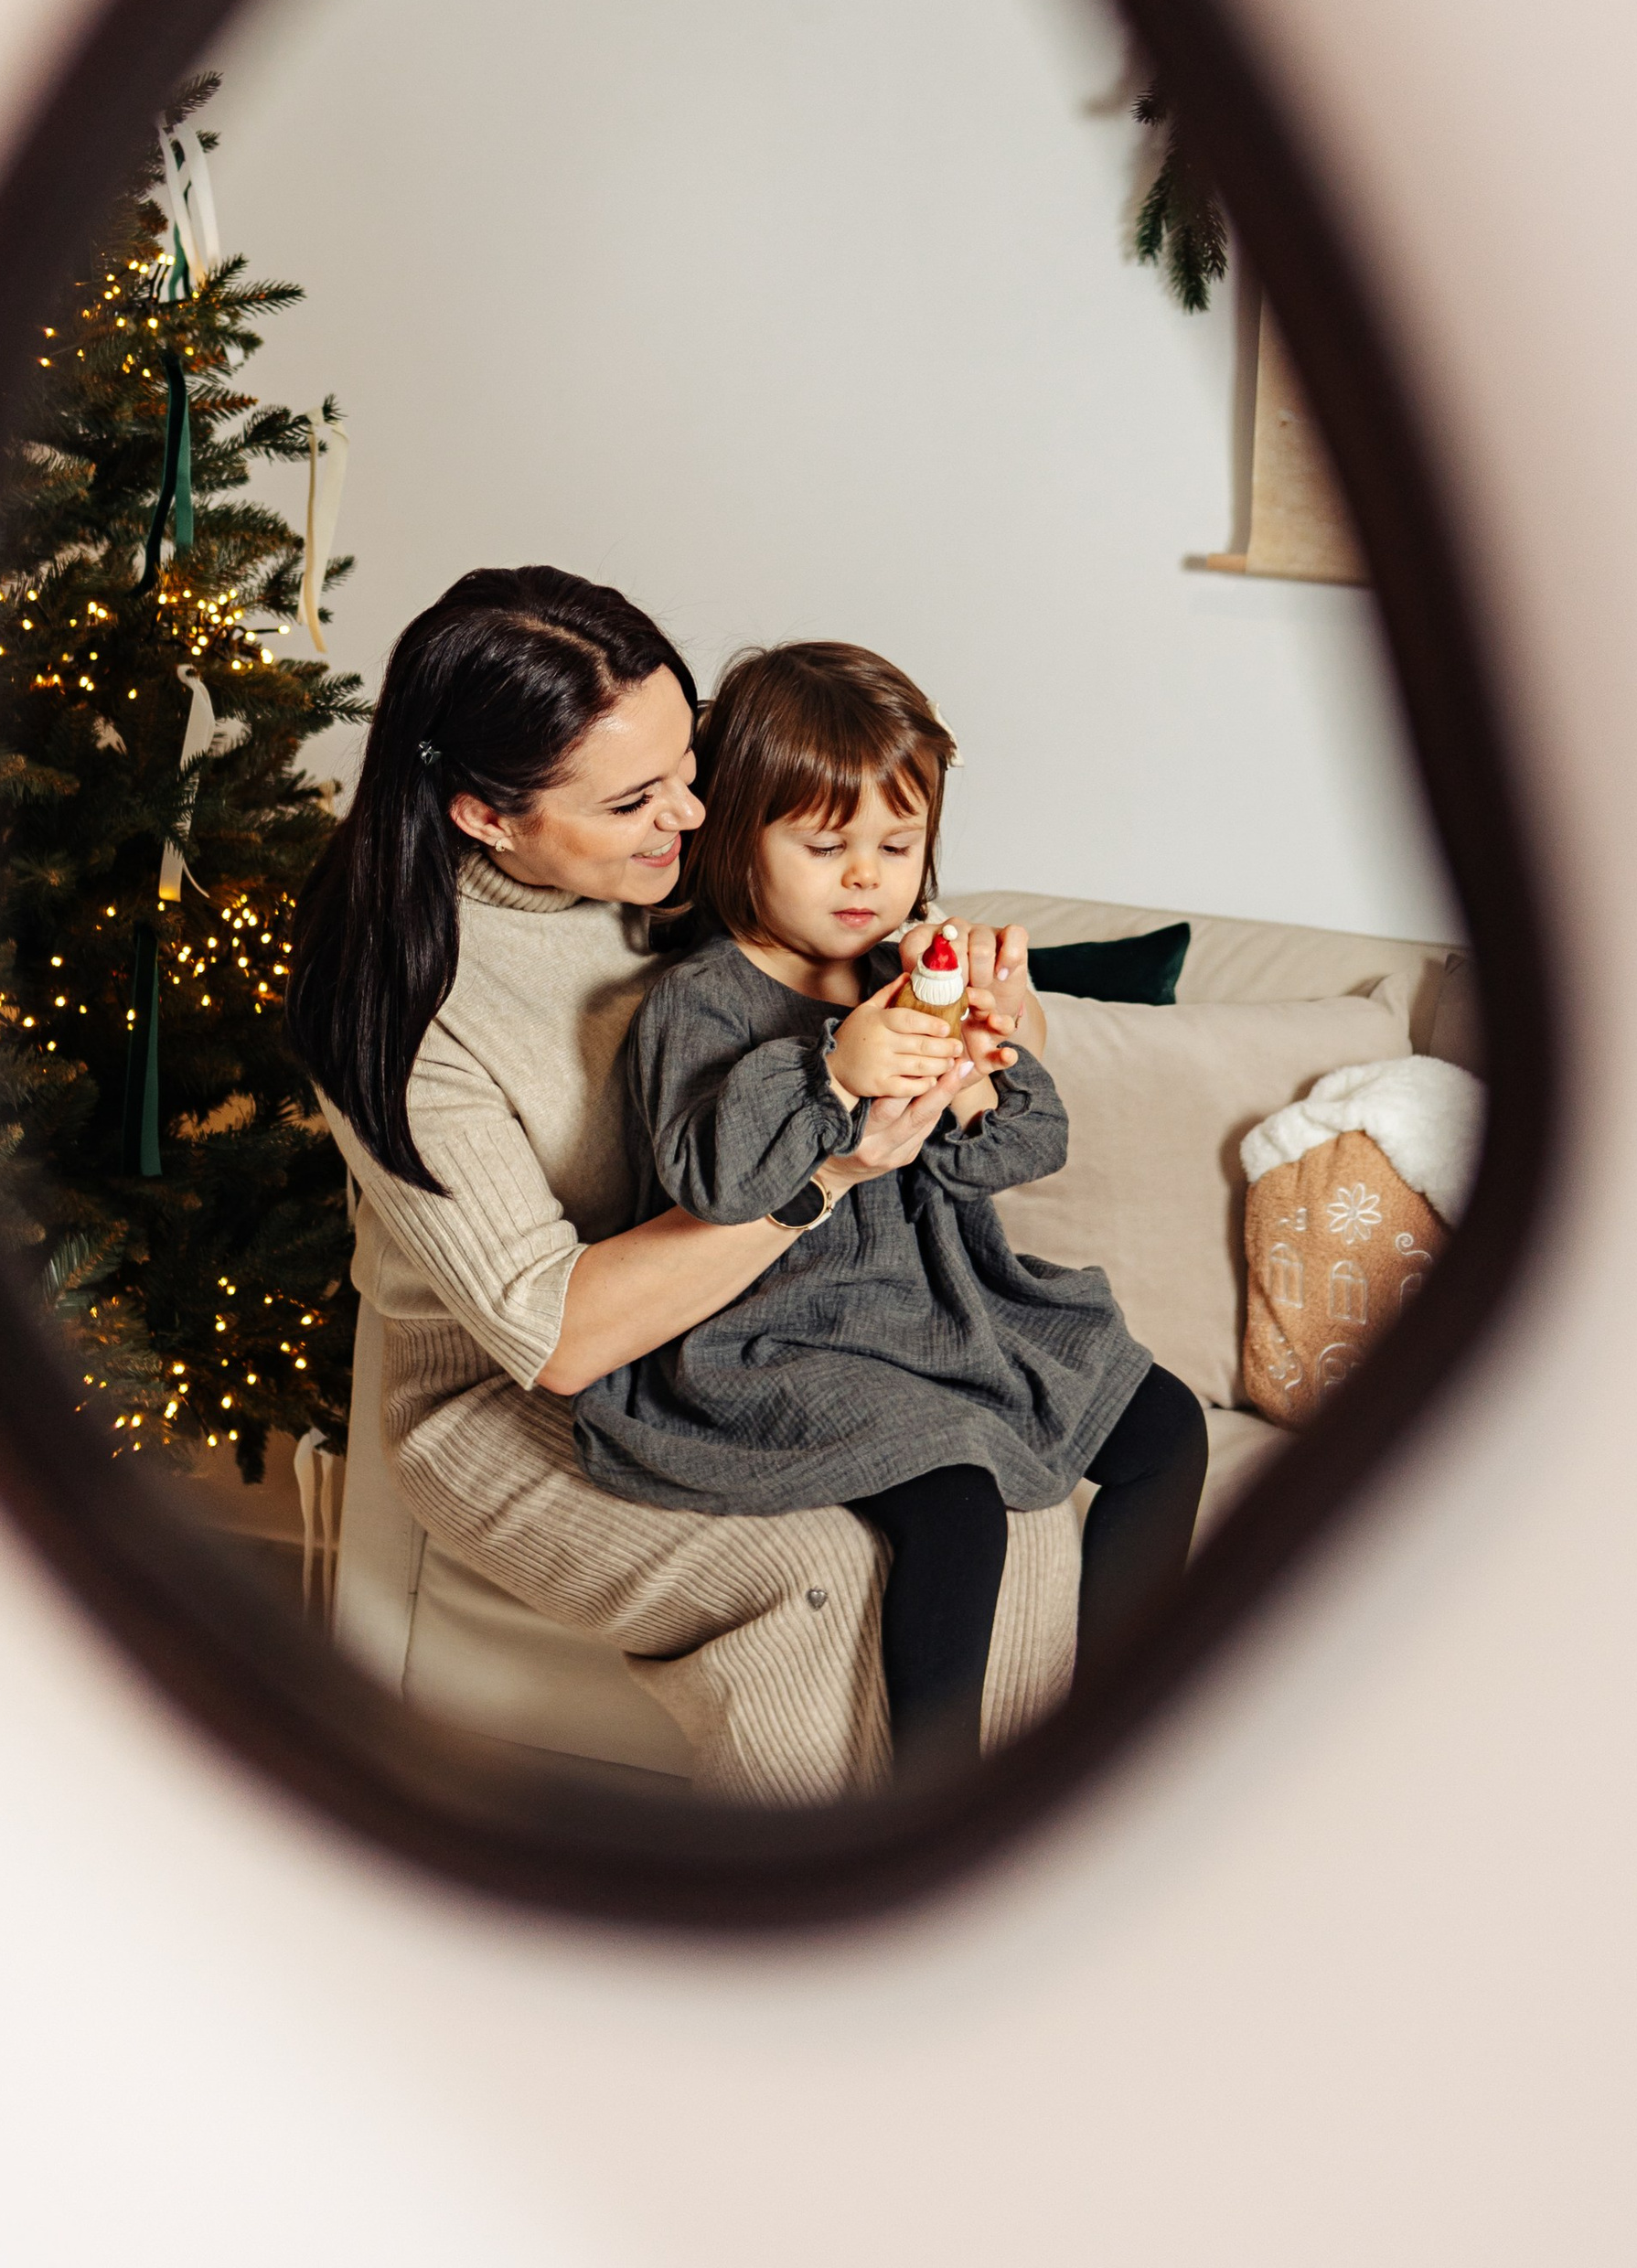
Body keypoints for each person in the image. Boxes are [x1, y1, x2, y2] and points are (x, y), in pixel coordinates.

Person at [284, 565, 1080, 1800]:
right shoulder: (399, 1015)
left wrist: (962, 1008)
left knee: (1021, 1495)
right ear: (487, 816)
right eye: (635, 800)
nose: (694, 814)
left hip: (759, 1330)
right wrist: (826, 1168)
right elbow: (555, 1338)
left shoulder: (670, 860)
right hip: (512, 1396)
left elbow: (853, 895)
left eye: (690, 765)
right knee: (823, 1577)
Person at [574, 642, 1209, 1777]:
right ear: (738, 840)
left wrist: (977, 1075)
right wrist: (831, 1069)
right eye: (824, 848)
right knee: (953, 1493)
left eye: (897, 846)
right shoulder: (698, 1001)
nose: (864, 878)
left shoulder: (909, 976)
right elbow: (718, 1185)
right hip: (781, 1334)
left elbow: (1025, 1151)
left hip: (945, 1302)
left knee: (1165, 1426)